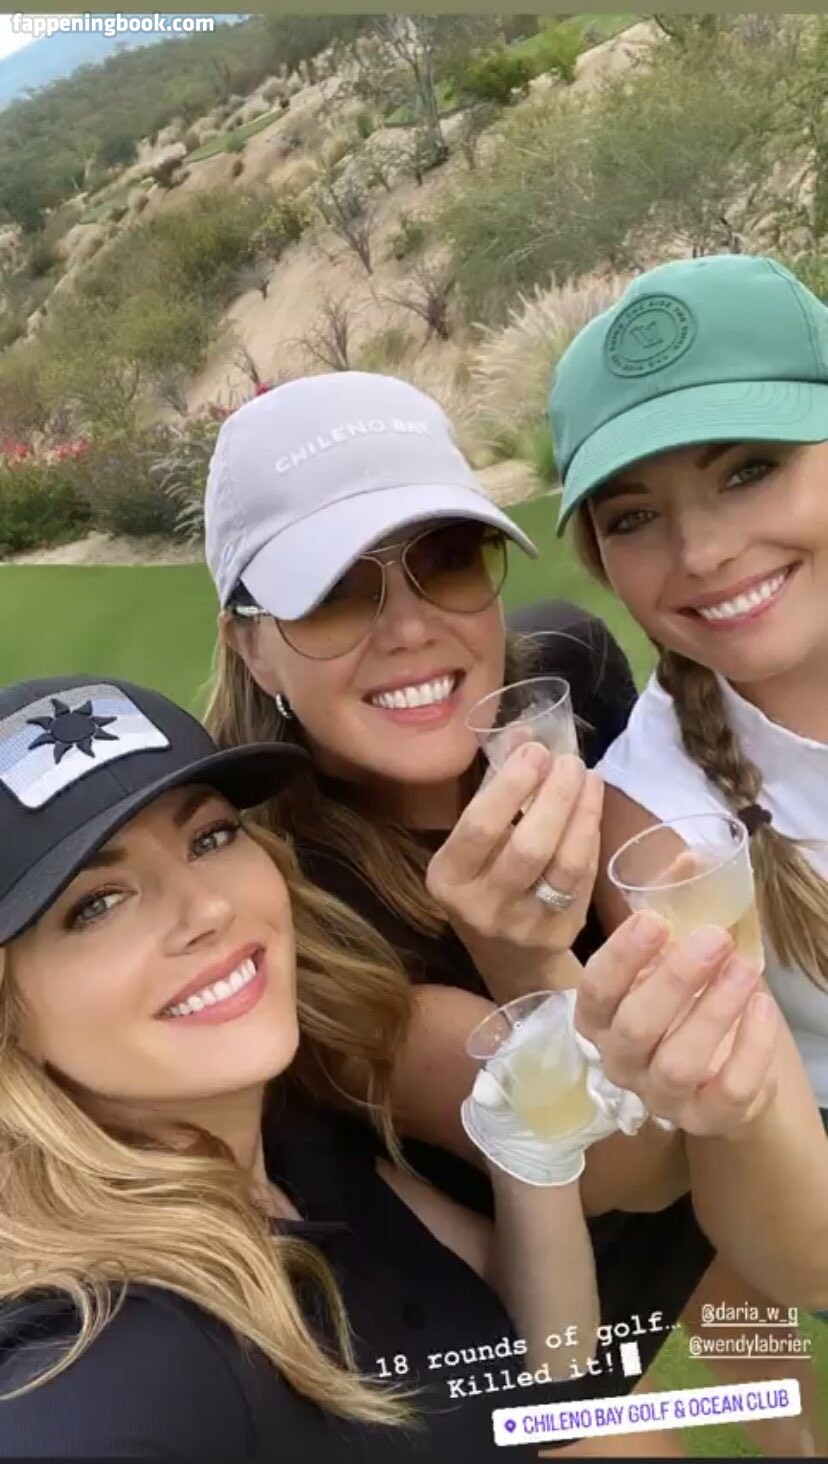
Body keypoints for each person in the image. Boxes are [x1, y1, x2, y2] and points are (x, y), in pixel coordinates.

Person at [201, 369, 828, 1443]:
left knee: (785, 1412)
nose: (410, 628)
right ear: (250, 642)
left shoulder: (565, 681)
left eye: (446, 556)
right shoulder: (296, 909)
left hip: (711, 1217)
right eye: (335, 591)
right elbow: (634, 1172)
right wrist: (523, 961)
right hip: (557, 1295)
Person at [0, 672, 676, 1460]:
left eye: (210, 838)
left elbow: (540, 1362)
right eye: (98, 904)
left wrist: (531, 1159)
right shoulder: (110, 1349)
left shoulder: (292, 1147)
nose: (207, 908)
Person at [549, 250, 828, 1454]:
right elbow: (797, 1256)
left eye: (749, 468)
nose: (704, 550)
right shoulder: (657, 820)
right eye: (635, 517)